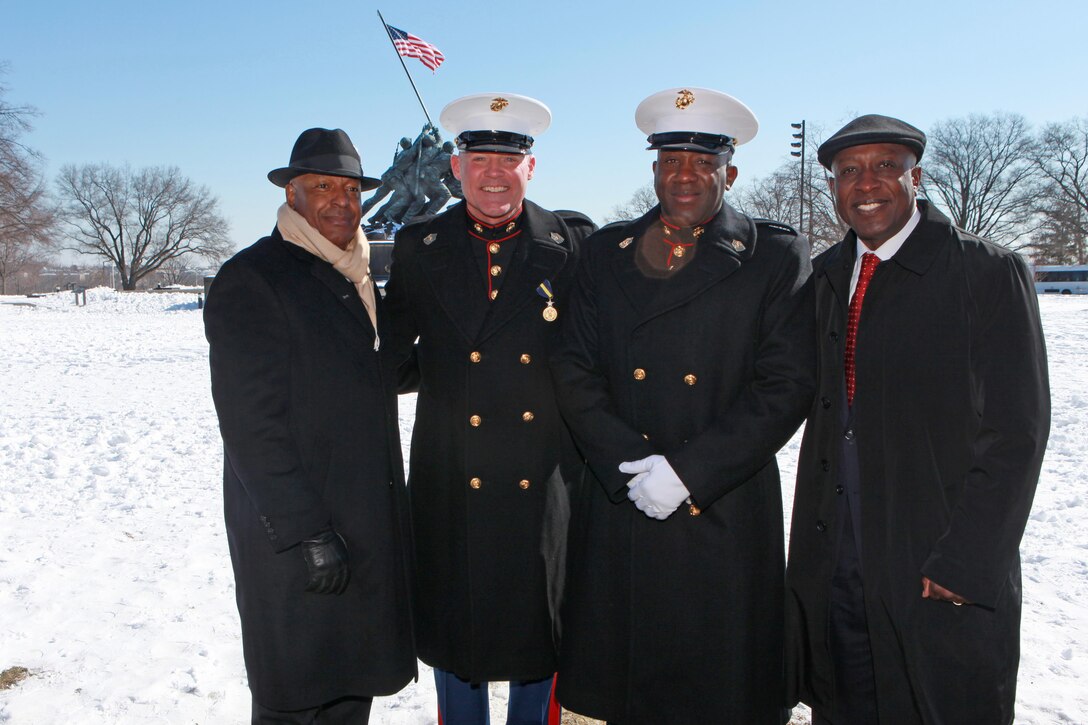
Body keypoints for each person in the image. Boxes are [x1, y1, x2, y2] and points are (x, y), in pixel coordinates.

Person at [550, 87, 815, 724]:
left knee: (718, 692)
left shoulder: (774, 255)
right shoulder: (603, 252)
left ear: (731, 171)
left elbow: (785, 383)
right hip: (625, 497)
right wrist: (633, 463)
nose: (685, 175)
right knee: (630, 692)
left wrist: (688, 474)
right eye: (671, 161)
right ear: (654, 170)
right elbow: (574, 368)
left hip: (720, 499)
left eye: (703, 162)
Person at [784, 114, 1050, 725]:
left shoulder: (984, 271)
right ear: (832, 186)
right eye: (849, 171)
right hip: (839, 556)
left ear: (916, 176)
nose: (867, 182)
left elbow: (1019, 431)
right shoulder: (824, 275)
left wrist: (967, 560)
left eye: (885, 166)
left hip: (935, 557)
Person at [382, 92, 596, 725]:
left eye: (509, 159)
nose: (494, 173)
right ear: (456, 167)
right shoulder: (420, 246)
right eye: (480, 159)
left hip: (543, 472)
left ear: (532, 169)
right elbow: (392, 354)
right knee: (458, 631)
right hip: (455, 472)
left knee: (543, 629)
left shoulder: (572, 243)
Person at [204, 128, 416, 724]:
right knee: (294, 698)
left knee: (351, 691)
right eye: (322, 186)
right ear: (291, 193)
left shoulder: (356, 274)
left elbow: (375, 369)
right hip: (297, 536)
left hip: (363, 526)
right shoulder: (255, 278)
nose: (340, 201)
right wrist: (306, 534)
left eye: (350, 189)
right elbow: (251, 426)